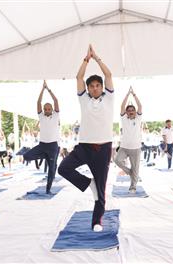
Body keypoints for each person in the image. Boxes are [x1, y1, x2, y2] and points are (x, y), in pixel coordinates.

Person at [58, 44, 114, 232]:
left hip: (103, 148)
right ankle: (87, 183)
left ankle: (96, 221)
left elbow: (109, 76)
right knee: (63, 168)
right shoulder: (84, 99)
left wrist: (97, 58)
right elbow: (79, 77)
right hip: (84, 147)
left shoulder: (109, 98)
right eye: (92, 86)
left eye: (98, 85)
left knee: (100, 192)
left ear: (101, 87)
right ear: (88, 89)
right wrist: (86, 59)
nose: (96, 88)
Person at [23, 80, 60, 194]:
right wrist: (42, 90)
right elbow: (38, 101)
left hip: (53, 146)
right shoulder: (41, 116)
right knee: (26, 156)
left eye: (49, 109)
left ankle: (48, 189)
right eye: (46, 109)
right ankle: (44, 156)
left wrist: (48, 89)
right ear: (43, 110)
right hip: (42, 145)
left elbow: (56, 100)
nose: (47, 110)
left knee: (52, 169)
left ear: (52, 110)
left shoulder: (56, 115)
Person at [114, 86, 143, 193]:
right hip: (124, 147)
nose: (130, 111)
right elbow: (122, 106)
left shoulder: (138, 118)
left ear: (135, 112)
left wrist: (133, 94)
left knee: (136, 168)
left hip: (136, 148)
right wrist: (127, 95)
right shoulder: (124, 118)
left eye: (132, 110)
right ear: (126, 112)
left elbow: (140, 105)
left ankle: (133, 186)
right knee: (117, 160)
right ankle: (130, 172)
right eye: (129, 110)